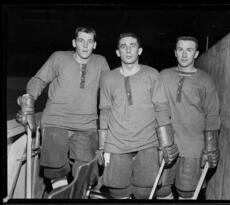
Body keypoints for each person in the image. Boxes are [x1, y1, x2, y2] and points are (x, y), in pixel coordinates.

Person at [16, 26, 110, 192]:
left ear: (95, 45)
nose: (85, 45)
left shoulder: (100, 62)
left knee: (87, 172)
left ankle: (80, 195)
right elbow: (39, 80)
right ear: (74, 42)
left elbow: (110, 90)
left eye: (90, 41)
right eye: (81, 41)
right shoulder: (59, 57)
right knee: (55, 168)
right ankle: (61, 195)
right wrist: (28, 100)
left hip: (86, 125)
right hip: (56, 120)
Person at [96, 32, 179, 199]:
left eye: (132, 46)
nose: (128, 50)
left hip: (147, 141)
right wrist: (101, 146)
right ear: (118, 52)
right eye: (123, 46)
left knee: (145, 191)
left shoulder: (152, 75)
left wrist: (167, 144)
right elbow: (104, 112)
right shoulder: (107, 78)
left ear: (139, 50)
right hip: (116, 143)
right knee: (118, 191)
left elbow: (162, 110)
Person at [160, 36, 221, 199]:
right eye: (180, 50)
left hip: (194, 147)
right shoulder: (164, 76)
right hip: (167, 144)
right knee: (161, 190)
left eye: (189, 50)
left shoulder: (205, 80)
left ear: (196, 54)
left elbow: (212, 115)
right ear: (175, 53)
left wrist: (211, 147)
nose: (184, 54)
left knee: (187, 193)